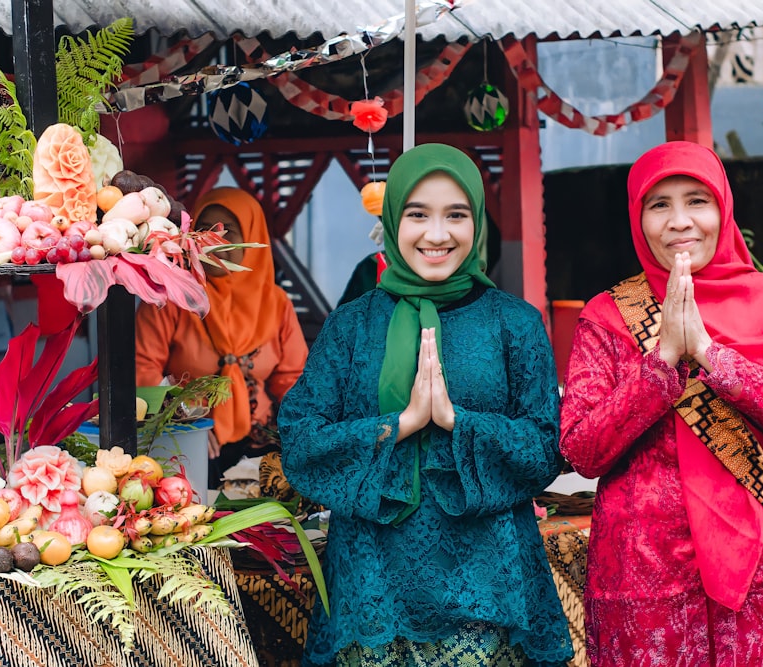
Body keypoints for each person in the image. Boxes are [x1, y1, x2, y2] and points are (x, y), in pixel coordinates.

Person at [279, 143, 573, 666]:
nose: (437, 235)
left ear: (477, 222)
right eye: (418, 214)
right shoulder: (351, 326)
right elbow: (300, 442)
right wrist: (400, 424)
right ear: (394, 221)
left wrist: (460, 423)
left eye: (455, 215)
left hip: (485, 587)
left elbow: (546, 450)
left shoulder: (515, 324)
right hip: (373, 585)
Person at [559, 141, 763, 667]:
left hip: (758, 570)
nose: (679, 221)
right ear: (638, 218)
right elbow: (582, 450)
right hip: (640, 578)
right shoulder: (607, 316)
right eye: (659, 204)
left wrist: (714, 358)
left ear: (722, 209)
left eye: (697, 200)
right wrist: (662, 361)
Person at [135, 187, 308, 490]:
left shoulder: (277, 303)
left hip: (263, 442)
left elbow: (293, 377)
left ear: (253, 239)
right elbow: (143, 368)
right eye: (204, 230)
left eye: (229, 233)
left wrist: (298, 434)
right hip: (187, 443)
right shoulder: (169, 296)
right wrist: (187, 424)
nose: (215, 242)